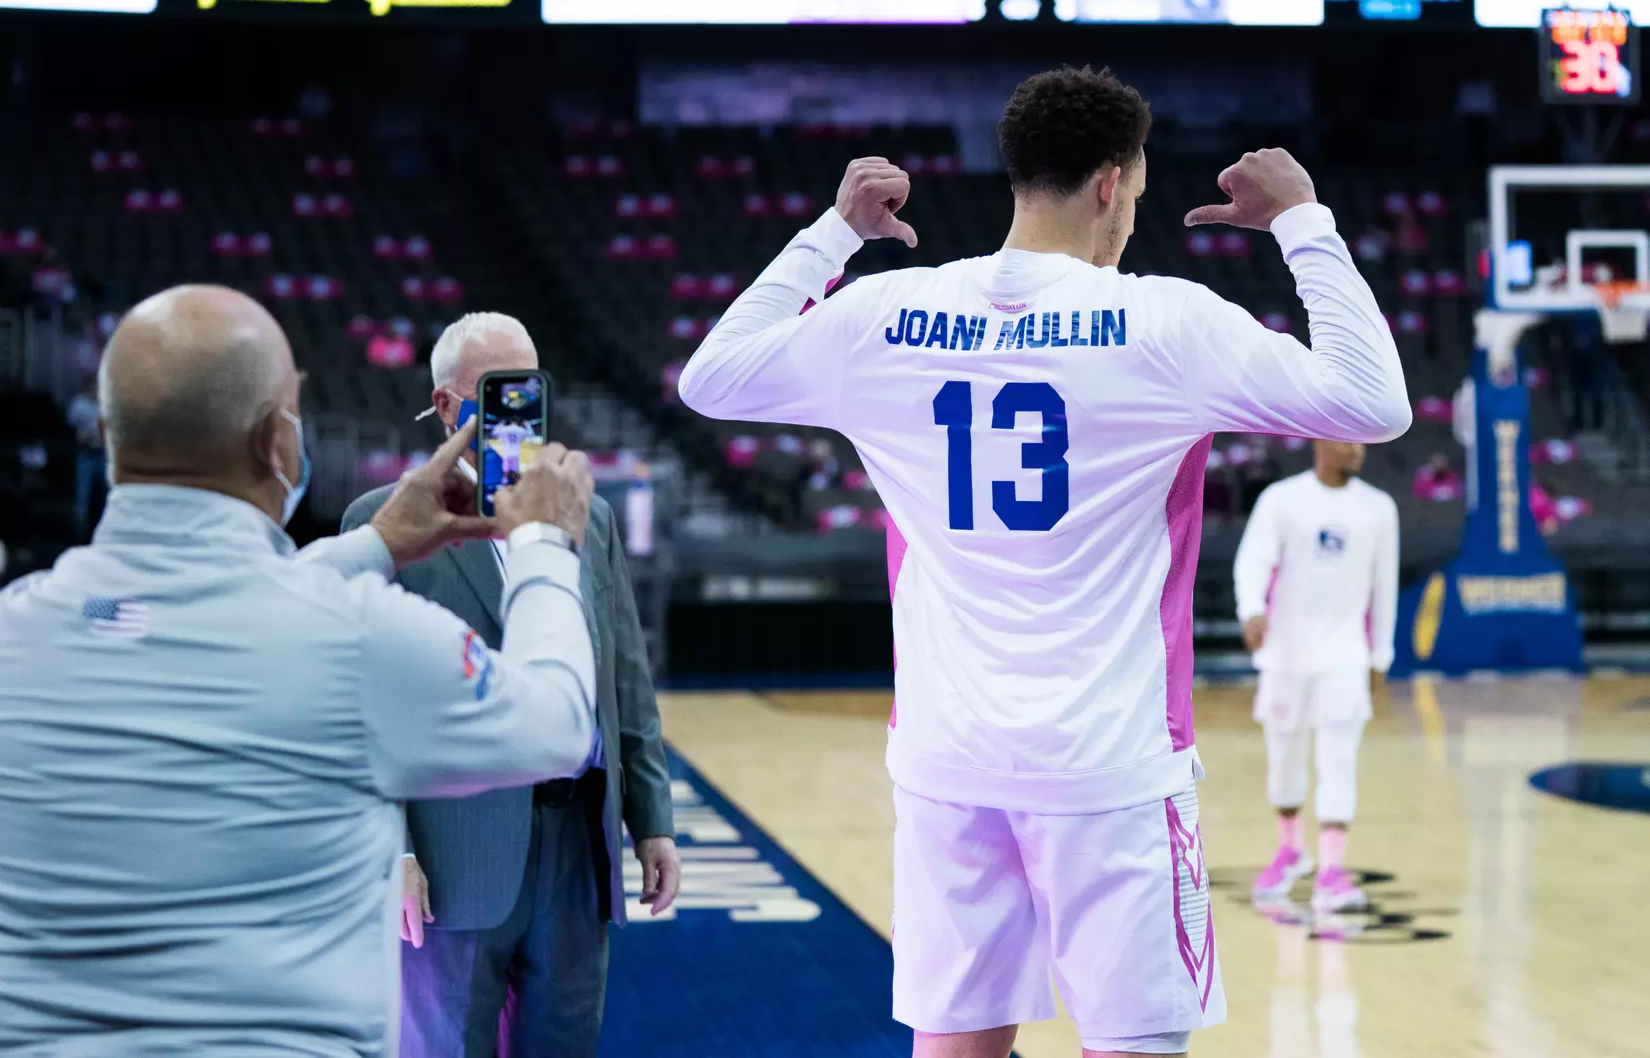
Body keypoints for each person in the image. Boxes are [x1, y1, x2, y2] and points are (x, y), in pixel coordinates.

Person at [677, 66, 1410, 1058]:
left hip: (947, 754)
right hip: (1110, 761)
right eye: (1138, 196)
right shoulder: (1166, 321)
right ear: (1112, 182)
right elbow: (1375, 404)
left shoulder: (885, 314)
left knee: (955, 1041)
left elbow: (711, 375)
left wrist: (834, 232)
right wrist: (1304, 225)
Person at [0, 285, 601, 1057]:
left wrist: (376, 543)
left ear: (113, 436)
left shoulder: (18, 629)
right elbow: (554, 725)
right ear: (273, 445)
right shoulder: (359, 638)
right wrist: (544, 544)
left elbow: (204, 605)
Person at [343, 311, 676, 1058]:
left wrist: (652, 818)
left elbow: (623, 676)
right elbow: (359, 709)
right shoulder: (382, 524)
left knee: (565, 1043)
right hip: (454, 851)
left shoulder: (588, 518)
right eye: (499, 391)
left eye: (531, 387)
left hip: (575, 844)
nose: (520, 409)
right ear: (449, 407)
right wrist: (388, 849)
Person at [1232, 440, 1399, 913]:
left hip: (1344, 657)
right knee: (1283, 761)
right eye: (1348, 438)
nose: (1359, 448)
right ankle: (1290, 851)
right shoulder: (1282, 500)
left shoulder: (1378, 509)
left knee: (1338, 761)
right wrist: (1251, 611)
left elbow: (1383, 585)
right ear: (1321, 442)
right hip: (1284, 656)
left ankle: (1331, 871)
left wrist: (1379, 657)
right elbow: (1252, 560)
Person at [65, 374, 106, 539]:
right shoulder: (78, 405)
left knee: (106, 493)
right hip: (85, 454)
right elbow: (69, 429)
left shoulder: (105, 405)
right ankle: (78, 531)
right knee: (82, 494)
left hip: (103, 454)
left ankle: (104, 530)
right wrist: (80, 437)